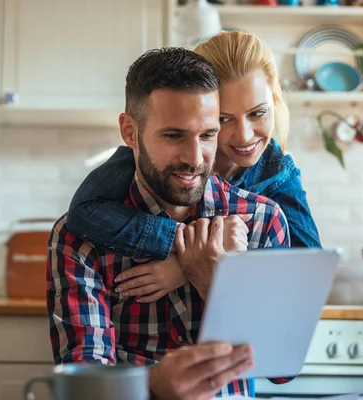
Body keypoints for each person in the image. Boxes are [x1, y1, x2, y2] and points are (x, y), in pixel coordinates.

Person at [46, 47, 292, 399]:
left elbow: (282, 369)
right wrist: (151, 387)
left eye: (207, 135)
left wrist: (212, 283)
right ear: (130, 133)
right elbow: (86, 378)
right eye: (174, 136)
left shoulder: (263, 220)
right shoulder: (77, 237)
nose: (194, 159)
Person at [65, 31, 321, 302]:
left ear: (275, 102)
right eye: (224, 120)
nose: (245, 136)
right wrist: (187, 241)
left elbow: (308, 274)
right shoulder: (144, 159)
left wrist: (186, 267)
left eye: (257, 113)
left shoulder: (277, 173)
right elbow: (83, 214)